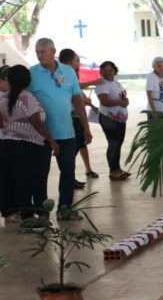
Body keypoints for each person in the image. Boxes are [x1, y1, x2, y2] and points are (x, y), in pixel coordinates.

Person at [29, 38, 90, 214]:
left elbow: (77, 100)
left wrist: (85, 126)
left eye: (43, 51)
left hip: (66, 132)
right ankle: (41, 211)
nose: (40, 55)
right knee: (40, 174)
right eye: (37, 52)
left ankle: (65, 208)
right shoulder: (32, 73)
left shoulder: (68, 71)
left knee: (68, 172)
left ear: (52, 51)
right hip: (41, 134)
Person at [0, 65, 59, 222]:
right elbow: (36, 123)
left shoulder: (3, 98)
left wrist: (13, 126)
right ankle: (41, 212)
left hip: (8, 144)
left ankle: (26, 215)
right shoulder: (27, 97)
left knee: (19, 181)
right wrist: (52, 141)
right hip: (30, 145)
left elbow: (1, 123)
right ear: (27, 80)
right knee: (37, 179)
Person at [58, 48, 98, 182]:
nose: (78, 63)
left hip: (77, 117)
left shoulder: (71, 74)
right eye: (76, 60)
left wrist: (89, 103)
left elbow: (78, 92)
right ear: (69, 62)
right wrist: (84, 100)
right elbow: (69, 96)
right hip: (69, 118)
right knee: (70, 151)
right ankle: (69, 179)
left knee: (79, 145)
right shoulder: (61, 76)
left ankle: (76, 175)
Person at [93, 61, 130, 180]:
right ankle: (113, 171)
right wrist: (121, 102)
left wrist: (126, 101)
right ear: (101, 72)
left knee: (118, 143)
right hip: (109, 119)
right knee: (113, 143)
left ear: (115, 71)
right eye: (104, 70)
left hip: (120, 119)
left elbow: (122, 96)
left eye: (110, 70)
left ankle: (117, 168)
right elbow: (104, 101)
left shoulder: (116, 83)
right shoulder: (102, 84)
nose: (107, 72)